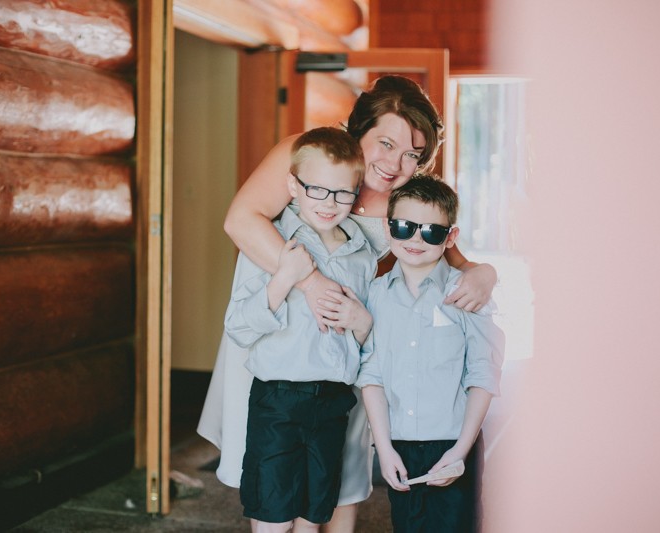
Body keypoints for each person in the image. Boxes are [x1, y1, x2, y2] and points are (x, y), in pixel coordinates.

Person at [198, 75, 498, 532]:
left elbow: (454, 259)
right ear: (359, 128)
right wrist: (310, 283)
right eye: (385, 142)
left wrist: (486, 273)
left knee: (339, 469)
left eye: (413, 153)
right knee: (272, 471)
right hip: (279, 332)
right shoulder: (307, 152)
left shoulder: (405, 197)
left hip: (345, 354)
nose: (396, 162)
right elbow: (241, 219)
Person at [224, 127, 377, 532]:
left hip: (332, 403)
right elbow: (238, 327)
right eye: (317, 190)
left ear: (357, 191)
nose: (330, 203)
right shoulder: (275, 242)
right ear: (293, 184)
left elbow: (363, 348)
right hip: (279, 402)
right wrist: (284, 278)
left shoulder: (363, 256)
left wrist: (362, 325)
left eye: (343, 193)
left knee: (312, 519)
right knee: (274, 520)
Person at [356, 176, 504, 533]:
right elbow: (371, 373)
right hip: (400, 444)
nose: (416, 240)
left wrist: (461, 450)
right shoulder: (375, 294)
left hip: (453, 441)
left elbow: (483, 375)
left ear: (450, 237)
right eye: (404, 227)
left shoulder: (468, 293)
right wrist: (384, 447)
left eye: (432, 232)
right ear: (388, 228)